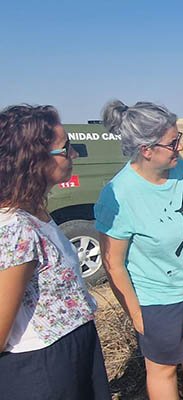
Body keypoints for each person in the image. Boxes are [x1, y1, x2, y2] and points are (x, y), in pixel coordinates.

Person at [95, 100, 183, 400]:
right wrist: (136, 313)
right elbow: (113, 263)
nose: (180, 148)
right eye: (173, 142)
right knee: (163, 367)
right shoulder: (119, 195)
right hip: (159, 296)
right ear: (146, 150)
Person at [0, 105, 110, 399]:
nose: (73, 155)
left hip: (72, 347)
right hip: (42, 365)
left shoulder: (36, 210)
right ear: (34, 160)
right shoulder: (15, 228)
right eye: (66, 148)